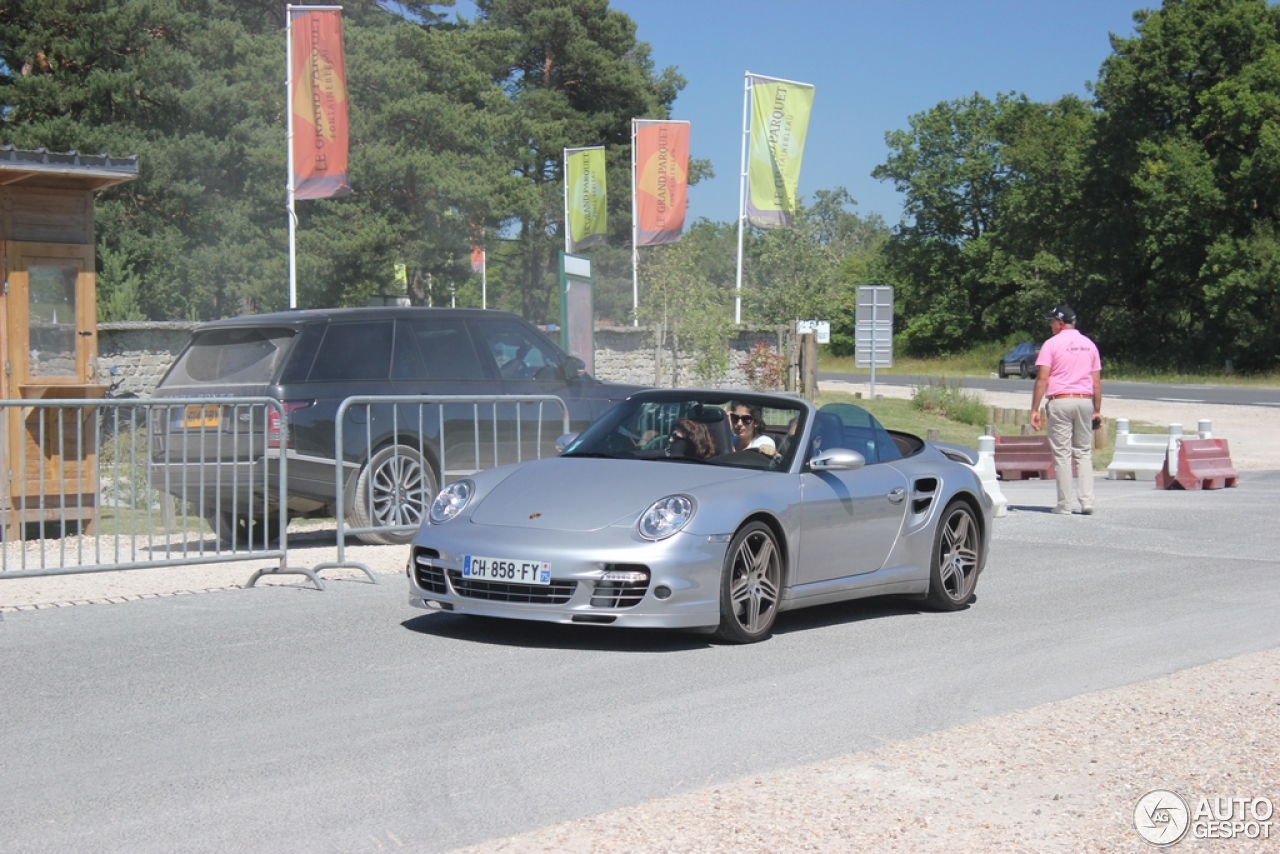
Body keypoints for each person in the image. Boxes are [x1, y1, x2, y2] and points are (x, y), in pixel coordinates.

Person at [1029, 305, 1102, 515]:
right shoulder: (1089, 345)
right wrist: (1097, 410)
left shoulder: (1051, 344)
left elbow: (1042, 378)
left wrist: (1034, 408)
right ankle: (1087, 501)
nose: (1050, 325)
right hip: (1084, 400)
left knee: (1062, 454)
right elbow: (1096, 382)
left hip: (1060, 400)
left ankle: (1065, 504)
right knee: (1083, 452)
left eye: (1052, 321)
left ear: (1061, 323)